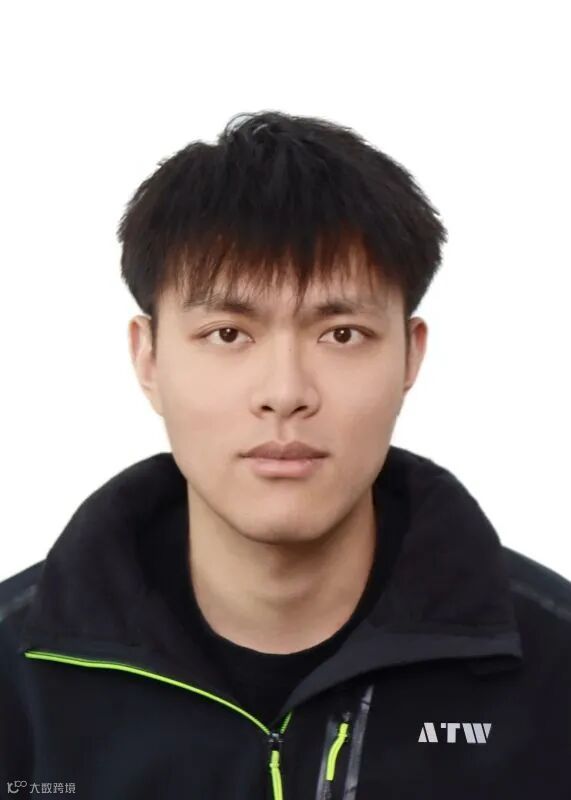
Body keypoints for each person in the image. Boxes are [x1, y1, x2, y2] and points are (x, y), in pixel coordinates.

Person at [1, 110, 569, 800]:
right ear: (147, 359)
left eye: (341, 334)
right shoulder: (17, 678)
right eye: (228, 334)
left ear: (410, 356)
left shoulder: (553, 669)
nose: (285, 393)